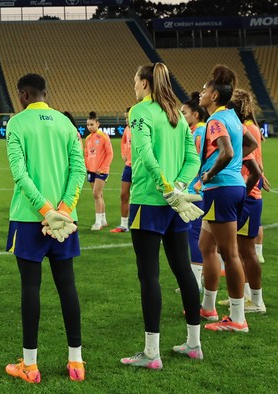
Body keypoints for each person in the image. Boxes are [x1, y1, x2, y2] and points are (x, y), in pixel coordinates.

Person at [120, 63, 204, 369]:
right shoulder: (176, 115)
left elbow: (143, 153)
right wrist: (179, 186)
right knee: (183, 270)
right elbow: (193, 158)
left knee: (149, 276)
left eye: (135, 82)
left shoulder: (141, 112)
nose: (134, 87)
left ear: (144, 83)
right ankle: (194, 344)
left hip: (149, 200)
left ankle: (151, 353)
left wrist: (167, 187)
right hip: (174, 203)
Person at [3, 73, 86, 384]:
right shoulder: (66, 124)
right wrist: (62, 210)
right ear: (44, 93)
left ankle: (30, 365)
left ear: (24, 94)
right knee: (68, 286)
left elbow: (19, 173)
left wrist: (45, 211)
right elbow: (79, 169)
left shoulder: (17, 123)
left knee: (30, 288)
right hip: (65, 221)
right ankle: (76, 362)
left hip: (29, 219)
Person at [197, 66, 259, 333]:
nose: (201, 93)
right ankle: (208, 306)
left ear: (213, 95)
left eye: (204, 89)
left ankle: (237, 318)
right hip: (232, 187)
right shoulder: (234, 116)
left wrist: (210, 172)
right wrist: (234, 166)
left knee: (230, 254)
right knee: (206, 246)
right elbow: (250, 145)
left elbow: (227, 151)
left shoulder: (217, 120)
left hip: (221, 189)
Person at [230, 88, 267, 315]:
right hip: (248, 189)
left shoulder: (249, 128)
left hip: (248, 193)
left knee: (247, 251)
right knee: (240, 250)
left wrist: (254, 182)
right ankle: (244, 296)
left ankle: (256, 300)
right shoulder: (249, 126)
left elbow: (252, 161)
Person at [179, 92, 209, 291]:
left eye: (185, 113)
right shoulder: (202, 130)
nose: (182, 116)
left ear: (196, 115)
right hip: (201, 189)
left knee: (194, 235)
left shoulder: (197, 133)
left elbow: (195, 162)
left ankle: (195, 283)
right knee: (201, 236)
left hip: (195, 190)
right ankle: (200, 278)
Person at [84, 111, 114, 231]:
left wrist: (102, 168)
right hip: (91, 171)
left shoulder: (103, 136)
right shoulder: (87, 138)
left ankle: (98, 223)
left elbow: (110, 154)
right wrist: (87, 166)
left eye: (92, 124)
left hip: (101, 171)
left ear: (97, 124)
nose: (89, 127)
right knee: (99, 195)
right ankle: (103, 219)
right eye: (88, 125)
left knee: (96, 194)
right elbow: (86, 154)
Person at [110, 107, 134, 233]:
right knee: (124, 195)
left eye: (128, 117)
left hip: (141, 168)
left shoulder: (142, 129)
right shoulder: (127, 130)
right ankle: (124, 225)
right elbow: (124, 142)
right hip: (129, 166)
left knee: (140, 197)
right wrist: (124, 153)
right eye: (125, 117)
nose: (126, 120)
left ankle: (137, 223)